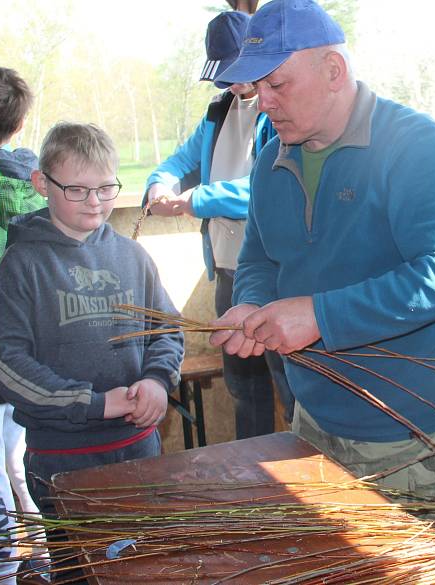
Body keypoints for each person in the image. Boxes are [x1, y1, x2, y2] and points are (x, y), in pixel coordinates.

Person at [211, 0, 435, 503]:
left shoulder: (417, 146)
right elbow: (259, 257)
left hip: (404, 427)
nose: (262, 101)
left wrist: (320, 314)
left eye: (277, 84)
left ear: (333, 70)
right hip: (311, 413)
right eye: (257, 87)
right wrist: (251, 303)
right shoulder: (271, 158)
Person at [0, 122, 184, 540]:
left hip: (138, 449)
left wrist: (156, 380)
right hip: (62, 459)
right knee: (77, 563)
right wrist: (92, 403)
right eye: (77, 190)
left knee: (141, 559)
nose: (94, 203)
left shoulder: (133, 256)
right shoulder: (21, 266)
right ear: (42, 183)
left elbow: (166, 329)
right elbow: (7, 364)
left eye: (106, 189)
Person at [145, 11, 292, 438]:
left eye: (236, 74)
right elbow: (182, 159)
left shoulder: (277, 113)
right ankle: (253, 475)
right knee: (244, 386)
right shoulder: (217, 111)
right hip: (229, 273)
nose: (231, 85)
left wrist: (198, 200)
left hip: (274, 276)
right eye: (224, 77)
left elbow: (266, 189)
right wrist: (160, 184)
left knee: (290, 383)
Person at [0, 67, 49, 585]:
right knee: (17, 462)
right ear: (21, 125)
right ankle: (43, 555)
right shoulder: (38, 182)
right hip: (26, 356)